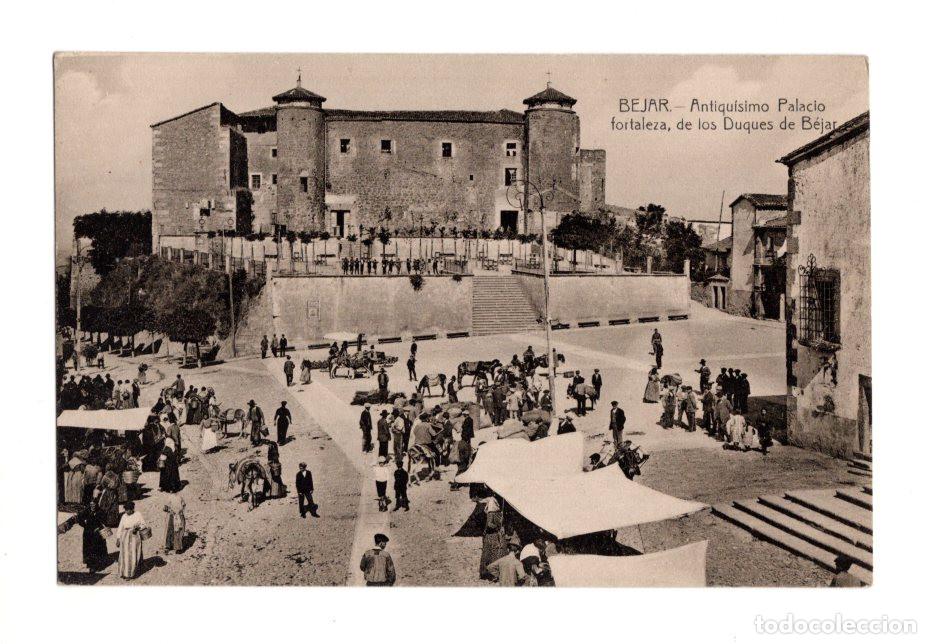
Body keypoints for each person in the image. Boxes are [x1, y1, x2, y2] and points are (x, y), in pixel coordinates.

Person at [115, 501, 147, 579]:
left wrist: (138, 528)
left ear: (132, 509)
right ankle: (124, 572)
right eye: (126, 510)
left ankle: (131, 573)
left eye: (128, 510)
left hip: (134, 536)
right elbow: (120, 527)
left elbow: (144, 524)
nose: (127, 511)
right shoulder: (124, 516)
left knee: (133, 554)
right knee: (124, 554)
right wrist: (118, 538)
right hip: (125, 537)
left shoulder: (138, 514)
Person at [479, 495, 508, 580]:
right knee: (494, 554)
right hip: (494, 535)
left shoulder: (493, 512)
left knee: (491, 554)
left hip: (492, 535)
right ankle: (492, 573)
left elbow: (490, 524)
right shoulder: (494, 513)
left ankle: (491, 573)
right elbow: (490, 524)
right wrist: (498, 527)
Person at [75, 501, 109, 572]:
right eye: (91, 504)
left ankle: (99, 564)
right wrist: (85, 525)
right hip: (88, 533)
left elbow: (105, 521)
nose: (92, 506)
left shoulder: (100, 511)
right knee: (89, 549)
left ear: (97, 504)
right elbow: (79, 518)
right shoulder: (87, 511)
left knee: (98, 548)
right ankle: (91, 565)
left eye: (94, 504)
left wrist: (99, 528)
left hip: (98, 533)